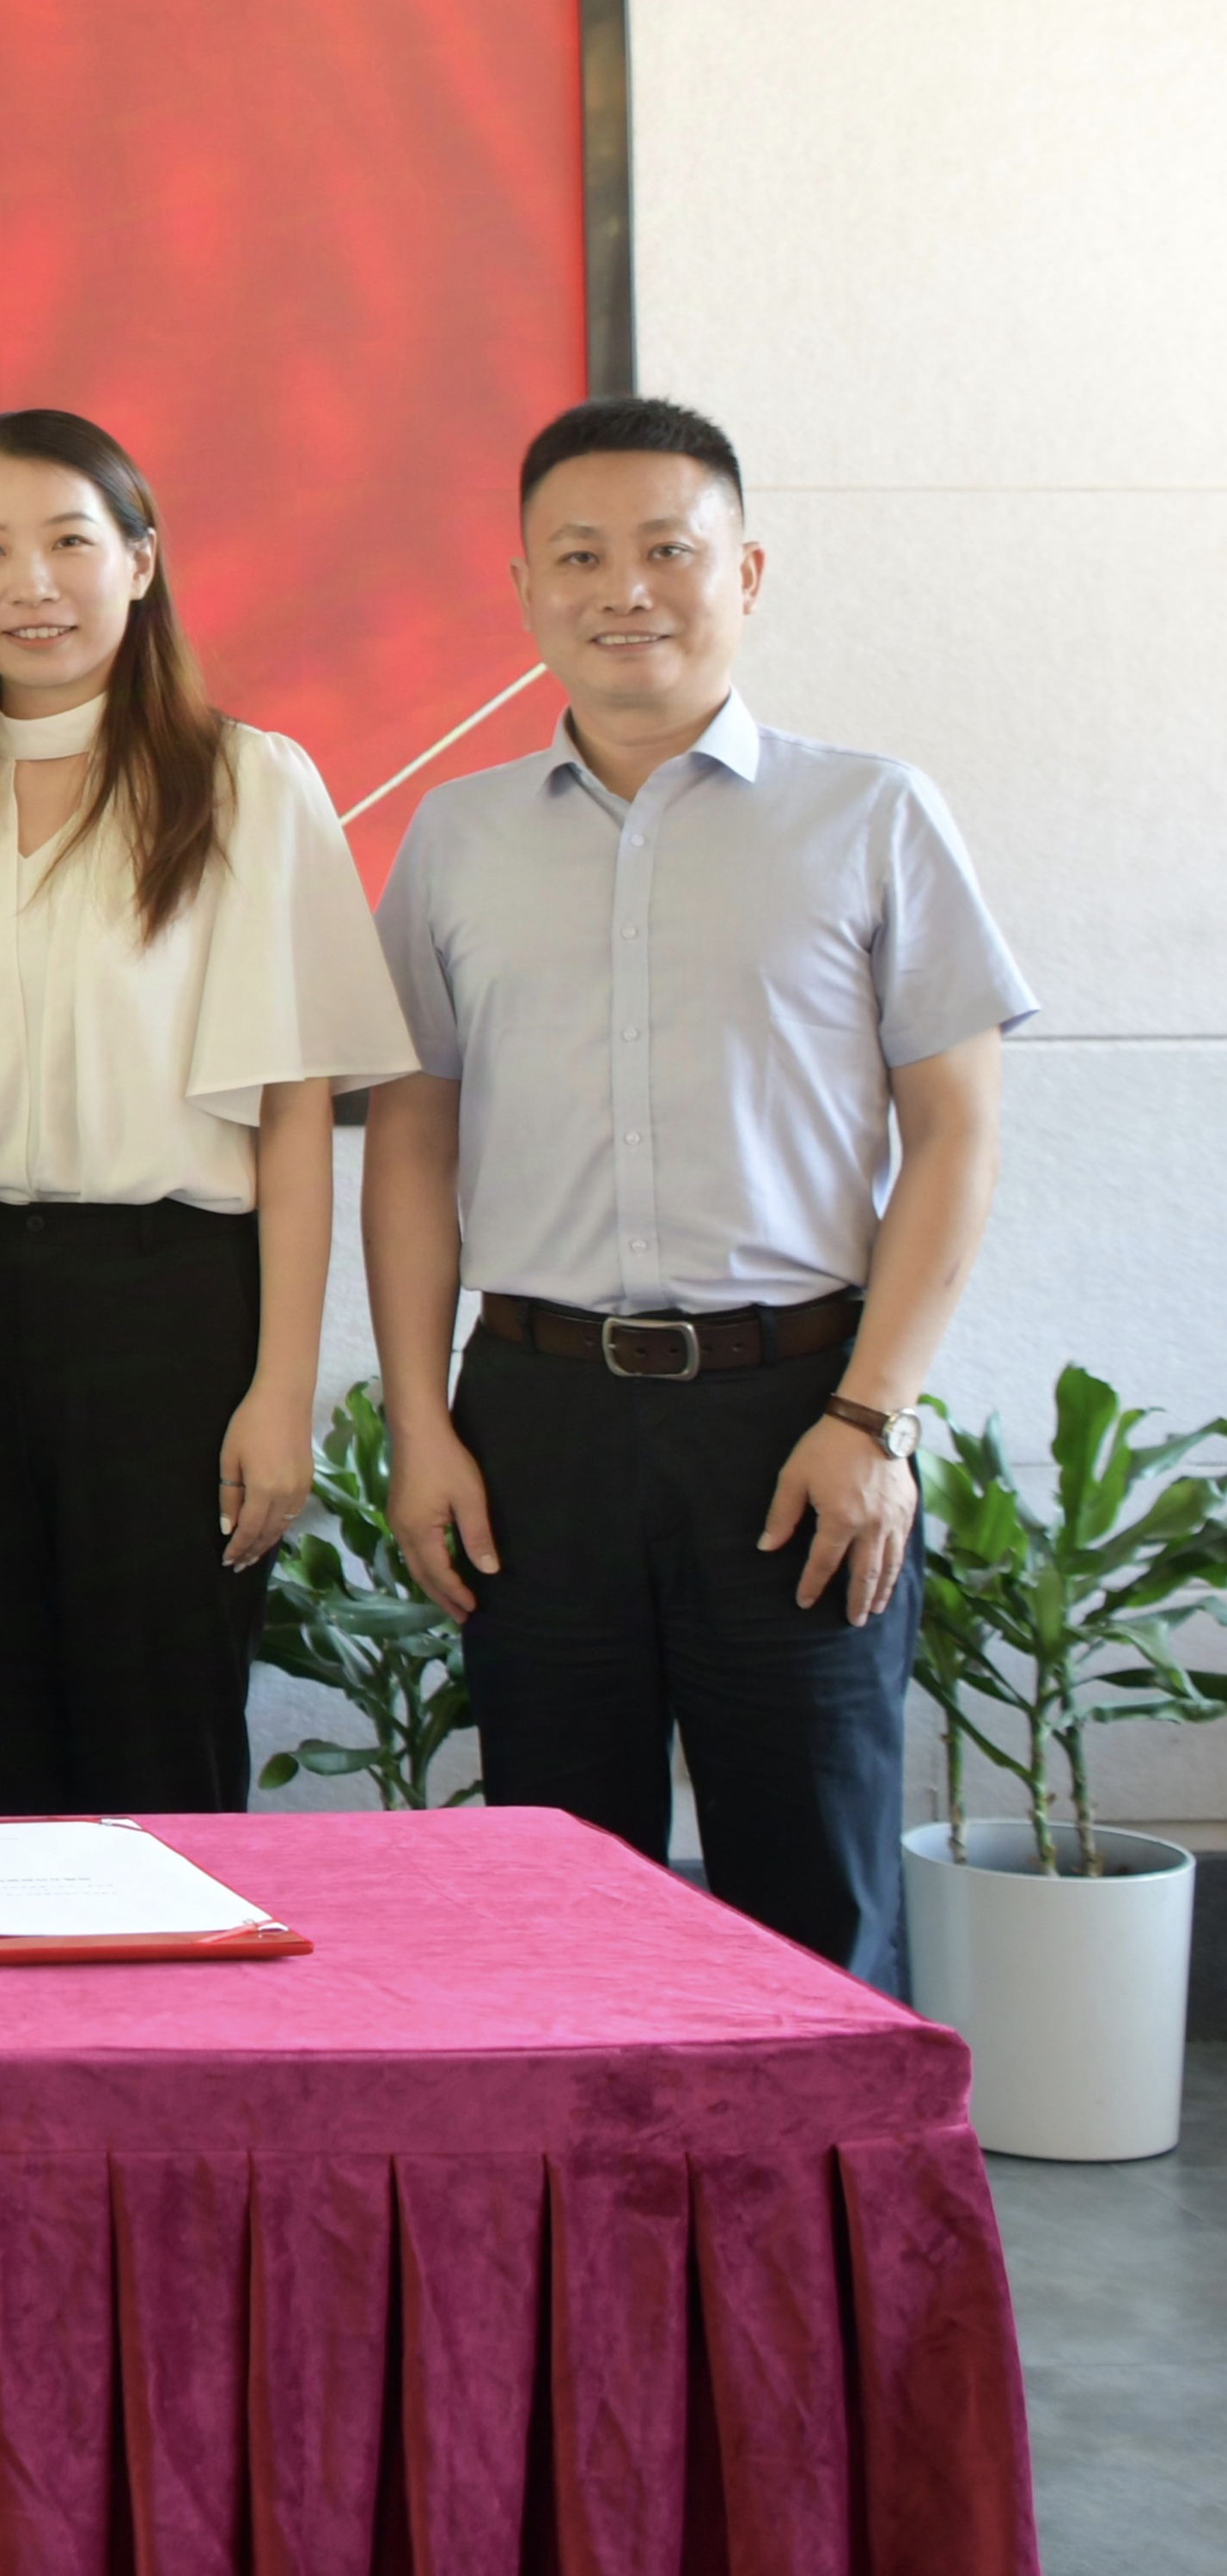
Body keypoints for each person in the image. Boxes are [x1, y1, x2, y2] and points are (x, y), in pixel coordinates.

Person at [363, 399, 1024, 1988]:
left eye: (666, 548)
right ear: (522, 586)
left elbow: (954, 1136)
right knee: (552, 1902)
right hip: (532, 1423)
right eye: (578, 555)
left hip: (792, 1416)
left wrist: (870, 1419)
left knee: (814, 1905)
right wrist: (418, 1422)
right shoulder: (453, 837)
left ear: (745, 571)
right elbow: (410, 1140)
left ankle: (829, 2170)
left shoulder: (871, 814)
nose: (624, 589)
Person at [0, 409, 412, 1818]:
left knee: (162, 1733)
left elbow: (292, 1114)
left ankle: (167, 1976)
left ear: (139, 563)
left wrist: (278, 1391)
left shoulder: (243, 781)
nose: (28, 583)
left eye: (68, 542)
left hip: (169, 1312)